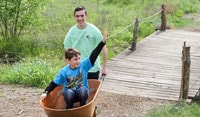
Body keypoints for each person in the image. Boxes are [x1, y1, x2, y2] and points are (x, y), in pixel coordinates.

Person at [40, 30, 108, 109]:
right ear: (68, 60)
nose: (78, 61)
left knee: (83, 90)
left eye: (79, 58)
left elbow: (94, 55)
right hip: (70, 94)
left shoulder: (83, 65)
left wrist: (102, 43)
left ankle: (83, 106)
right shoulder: (64, 71)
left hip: (81, 92)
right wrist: (45, 92)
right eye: (75, 59)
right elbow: (54, 83)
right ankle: (70, 107)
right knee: (68, 93)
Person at [63, 6, 107, 80]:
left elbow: (103, 49)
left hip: (92, 68)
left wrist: (104, 67)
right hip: (77, 68)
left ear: (86, 15)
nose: (80, 18)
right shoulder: (71, 32)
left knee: (91, 91)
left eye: (82, 16)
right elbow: (67, 51)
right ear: (74, 17)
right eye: (77, 16)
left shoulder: (94, 31)